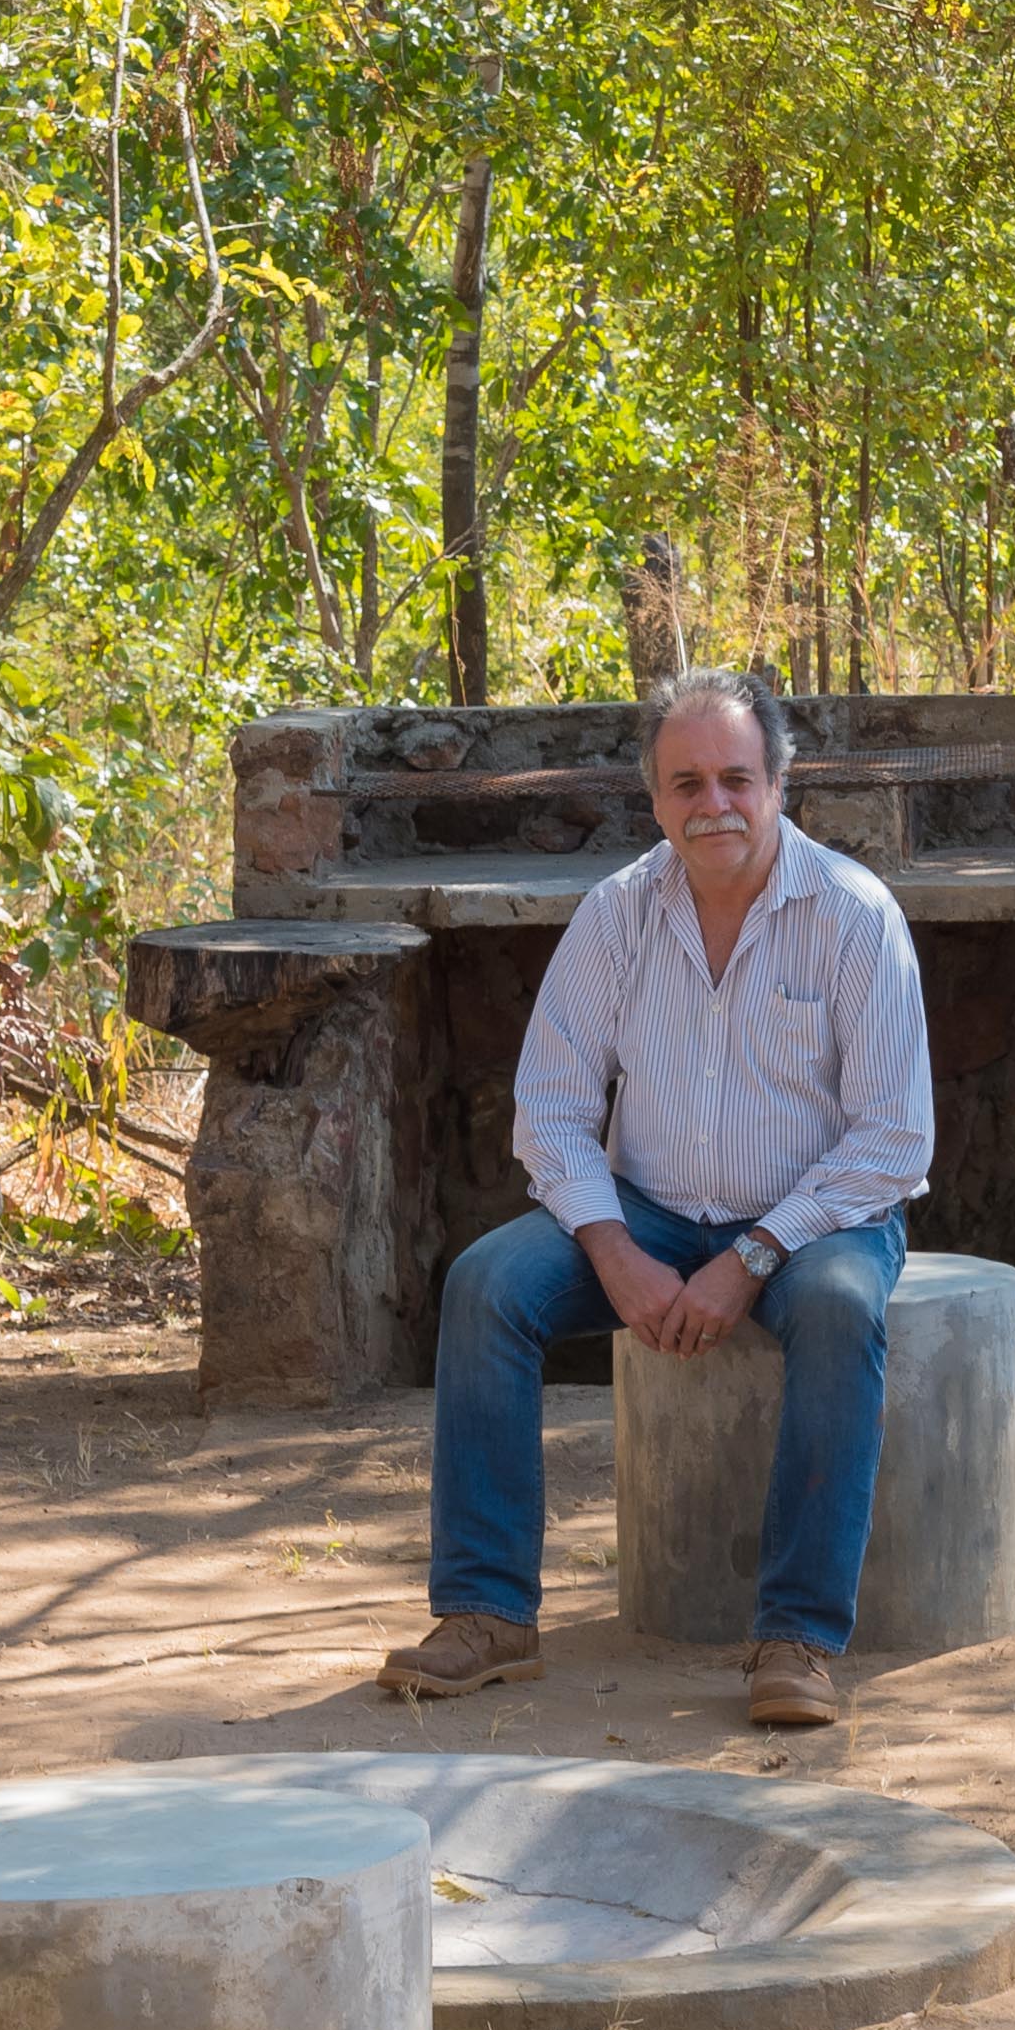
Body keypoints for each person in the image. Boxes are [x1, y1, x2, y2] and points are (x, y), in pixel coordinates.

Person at [375, 664, 934, 1733]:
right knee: (487, 1285)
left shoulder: (855, 917)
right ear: (655, 797)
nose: (711, 804)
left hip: (821, 1218)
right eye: (686, 783)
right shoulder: (616, 915)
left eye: (734, 778)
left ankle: (797, 1635)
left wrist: (750, 1257)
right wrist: (616, 1250)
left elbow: (893, 1139)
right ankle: (487, 1614)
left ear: (778, 784)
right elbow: (548, 1109)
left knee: (839, 1308)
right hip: (650, 1208)